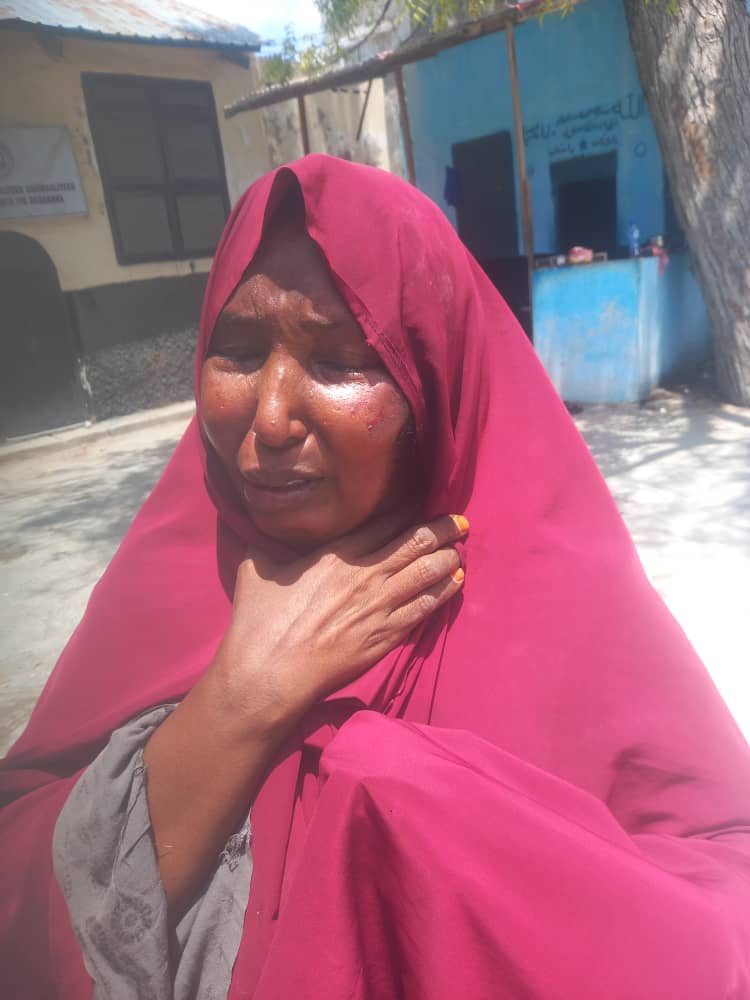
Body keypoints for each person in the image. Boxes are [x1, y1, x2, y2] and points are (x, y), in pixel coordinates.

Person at [1, 154, 749, 999]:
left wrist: (403, 812)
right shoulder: (177, 572)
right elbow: (18, 907)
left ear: (429, 380)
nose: (270, 418)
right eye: (238, 352)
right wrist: (239, 701)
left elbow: (721, 908)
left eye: (338, 362)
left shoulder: (558, 602)